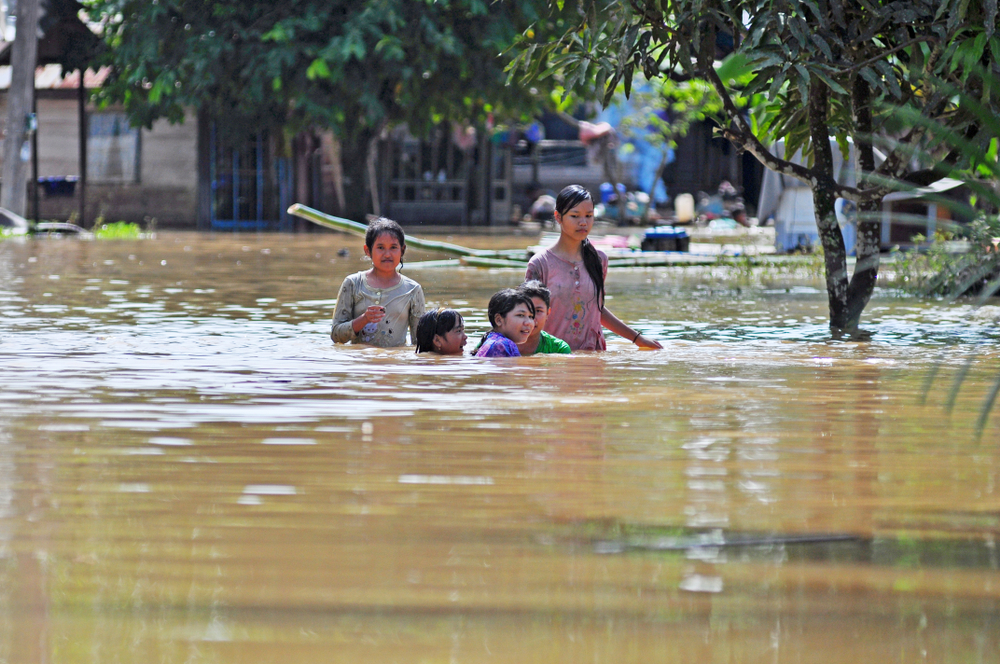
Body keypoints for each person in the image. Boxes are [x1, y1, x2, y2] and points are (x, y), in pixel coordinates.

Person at [525, 184, 663, 351]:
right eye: (575, 216)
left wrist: (637, 338)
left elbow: (597, 309)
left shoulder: (599, 260)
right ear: (558, 217)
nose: (583, 222)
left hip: (593, 354)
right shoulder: (540, 264)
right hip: (554, 357)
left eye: (589, 215)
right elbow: (528, 316)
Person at [331, 217, 425, 347]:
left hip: (395, 364)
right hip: (360, 364)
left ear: (402, 251)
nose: (387, 254)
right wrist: (364, 319)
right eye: (380, 247)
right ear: (367, 251)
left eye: (393, 247)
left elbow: (420, 343)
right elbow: (336, 335)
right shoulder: (353, 283)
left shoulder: (413, 290)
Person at [474, 289, 535, 358]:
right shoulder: (502, 345)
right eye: (520, 315)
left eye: (531, 316)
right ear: (499, 320)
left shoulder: (493, 340)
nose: (529, 322)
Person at [515, 280, 571, 356]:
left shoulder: (559, 349)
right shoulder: (498, 345)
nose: (531, 317)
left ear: (548, 313)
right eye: (525, 310)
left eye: (538, 311)